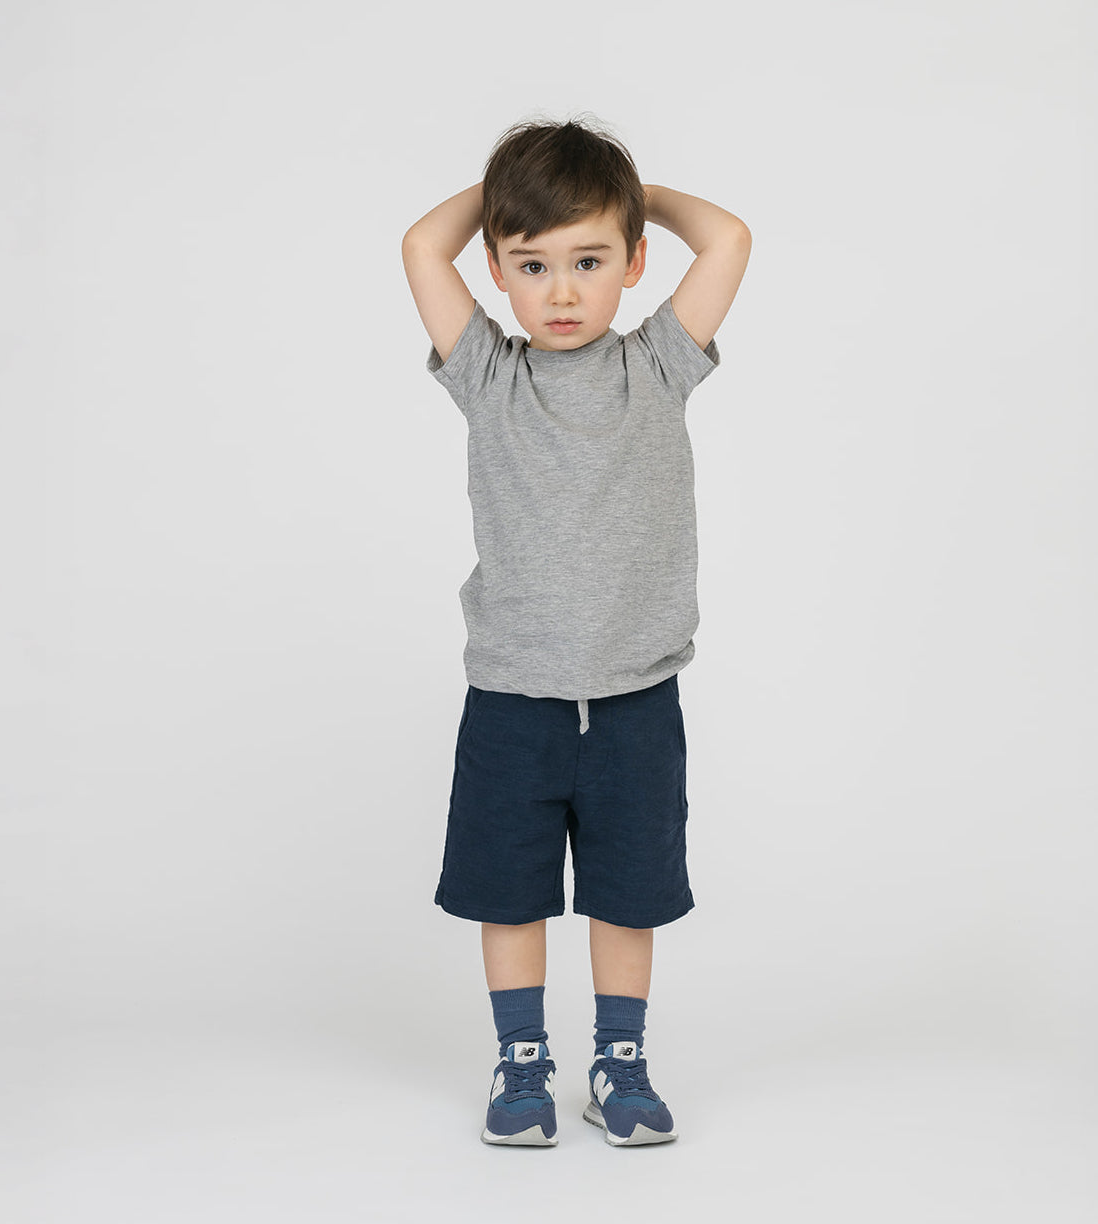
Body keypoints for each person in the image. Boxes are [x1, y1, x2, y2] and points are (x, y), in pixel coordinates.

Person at [401, 117, 750, 1147]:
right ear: (496, 270)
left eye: (589, 260)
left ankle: (619, 1064)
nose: (560, 290)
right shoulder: (487, 375)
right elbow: (421, 246)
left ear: (634, 262)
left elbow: (727, 238)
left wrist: (629, 194)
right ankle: (521, 1066)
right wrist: (511, 190)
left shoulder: (660, 365)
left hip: (635, 698)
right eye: (532, 264)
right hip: (513, 698)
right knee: (508, 894)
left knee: (626, 895)